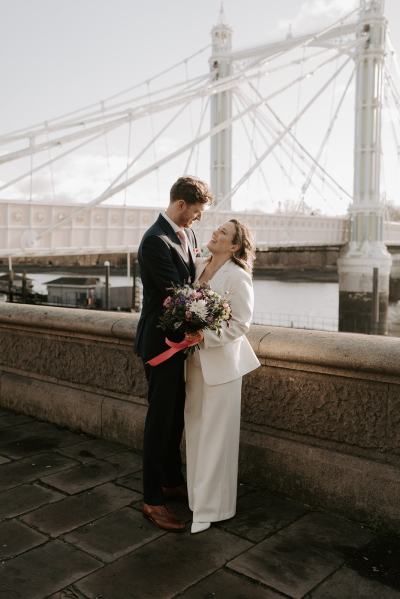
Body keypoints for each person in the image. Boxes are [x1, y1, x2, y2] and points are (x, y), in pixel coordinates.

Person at [135, 176, 212, 532]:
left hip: (182, 343)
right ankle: (152, 500)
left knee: (175, 419)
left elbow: (193, 285)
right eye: (195, 213)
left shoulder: (190, 236)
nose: (196, 220)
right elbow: (174, 296)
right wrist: (207, 318)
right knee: (159, 422)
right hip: (162, 345)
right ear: (180, 204)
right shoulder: (154, 241)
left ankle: (170, 480)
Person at [184, 219, 260, 534]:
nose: (216, 232)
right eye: (217, 228)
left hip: (222, 367)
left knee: (216, 438)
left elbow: (241, 323)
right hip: (194, 364)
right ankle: (195, 499)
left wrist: (203, 336)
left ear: (235, 247)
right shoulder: (199, 265)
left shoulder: (238, 277)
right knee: (196, 432)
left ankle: (211, 509)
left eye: (224, 233)